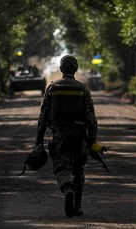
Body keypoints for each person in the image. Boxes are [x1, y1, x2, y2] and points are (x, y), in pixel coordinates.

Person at [35, 55, 98, 217]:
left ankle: (68, 189)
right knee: (79, 170)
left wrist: (39, 142)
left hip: (60, 135)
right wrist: (92, 141)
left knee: (62, 169)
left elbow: (43, 117)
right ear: (75, 69)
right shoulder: (83, 89)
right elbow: (90, 117)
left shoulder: (52, 88)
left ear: (62, 69)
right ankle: (77, 205)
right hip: (79, 135)